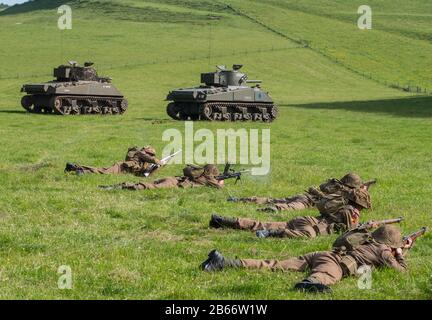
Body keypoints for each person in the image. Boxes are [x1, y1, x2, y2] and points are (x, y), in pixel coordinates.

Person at [201, 225, 413, 293]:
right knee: (324, 277)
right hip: (334, 264)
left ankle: (223, 262)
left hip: (323, 254)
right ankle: (310, 284)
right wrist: (401, 255)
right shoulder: (384, 251)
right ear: (392, 243)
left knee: (273, 264)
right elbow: (401, 273)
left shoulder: (366, 239)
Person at [209, 188, 371, 239]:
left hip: (308, 219)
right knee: (289, 233)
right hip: (313, 229)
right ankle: (270, 234)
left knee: (263, 223)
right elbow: (350, 233)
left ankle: (225, 221)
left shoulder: (341, 204)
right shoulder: (353, 212)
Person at [227, 173, 374, 212]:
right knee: (289, 206)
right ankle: (274, 209)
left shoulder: (334, 183)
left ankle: (242, 199)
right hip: (307, 201)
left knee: (274, 199)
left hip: (304, 195)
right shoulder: (345, 192)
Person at [100, 164, 224, 190]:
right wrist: (221, 182)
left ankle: (119, 185)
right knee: (152, 187)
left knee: (152, 183)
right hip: (173, 183)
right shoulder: (209, 178)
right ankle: (121, 187)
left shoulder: (200, 173)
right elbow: (220, 188)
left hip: (173, 178)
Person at [64, 146, 162, 176]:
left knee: (100, 169)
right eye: (151, 154)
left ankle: (74, 167)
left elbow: (144, 174)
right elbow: (152, 159)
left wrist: (156, 168)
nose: (151, 156)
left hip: (123, 169)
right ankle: (82, 172)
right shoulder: (141, 153)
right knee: (103, 172)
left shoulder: (143, 159)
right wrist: (159, 162)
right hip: (121, 167)